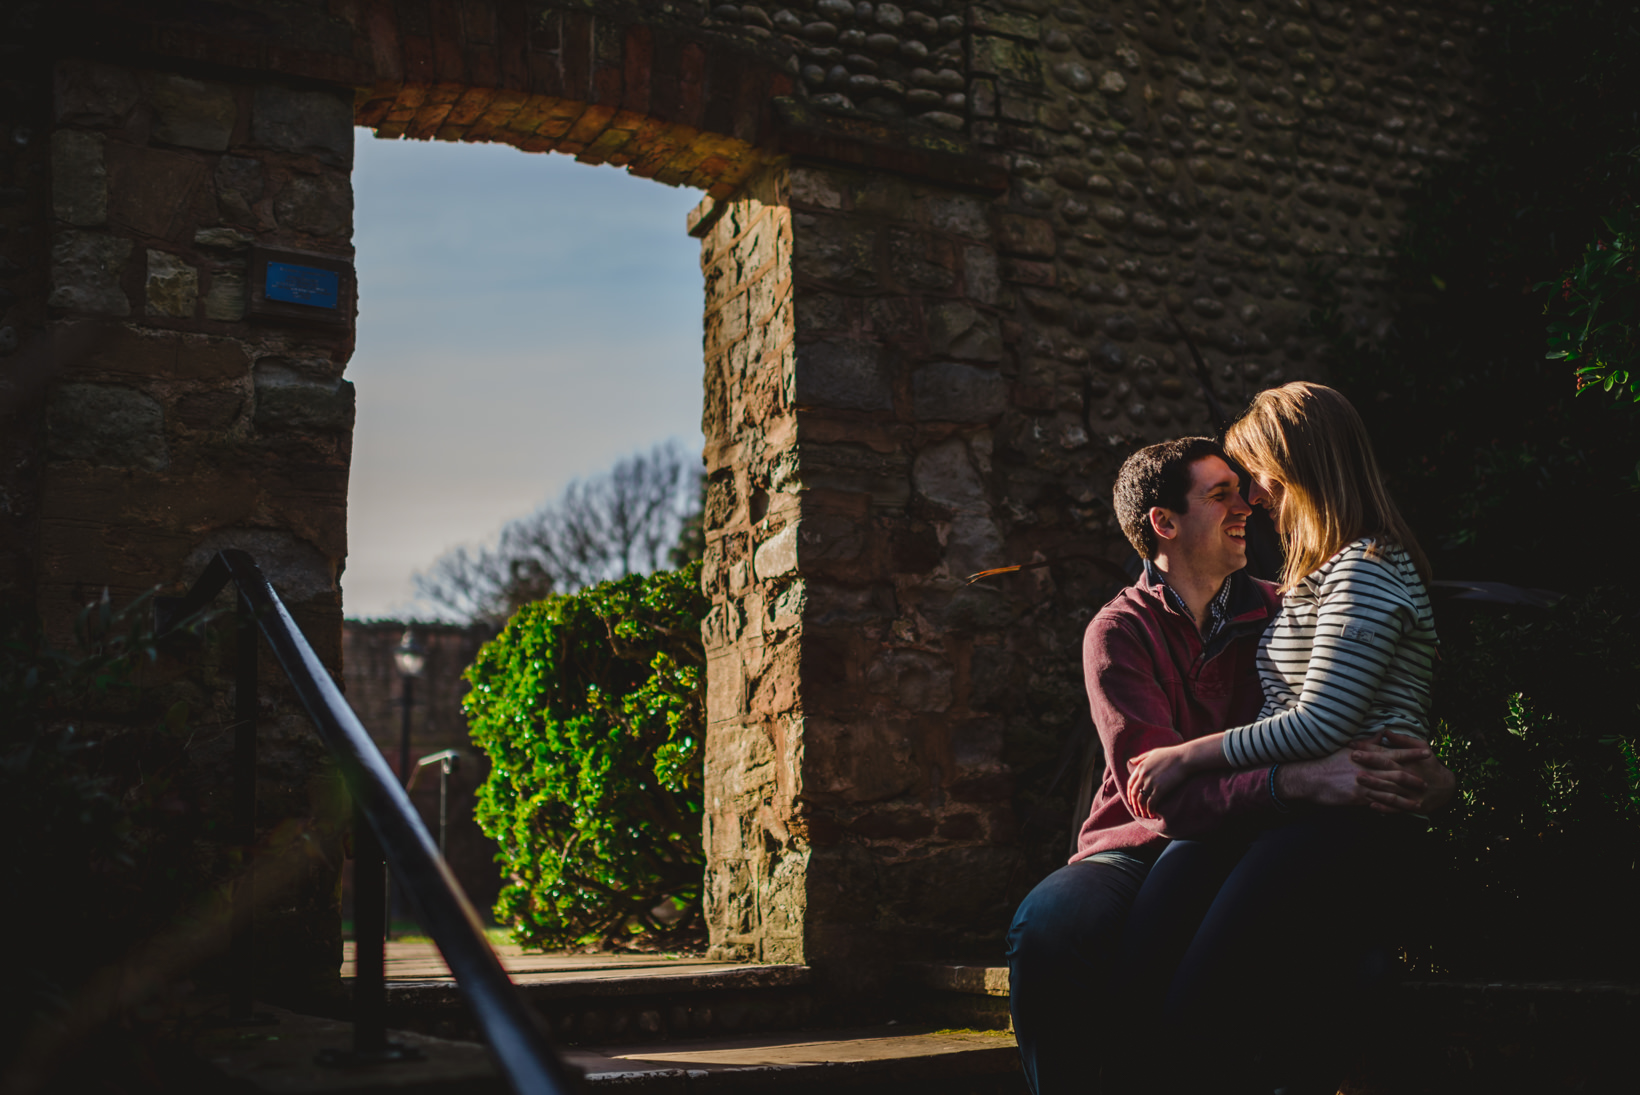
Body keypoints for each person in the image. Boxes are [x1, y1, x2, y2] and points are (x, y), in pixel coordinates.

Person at [1006, 431, 1454, 1095]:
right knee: (1049, 925)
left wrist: (1433, 777)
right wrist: (1293, 780)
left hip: (1251, 837)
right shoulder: (1119, 630)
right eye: (1221, 495)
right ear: (1164, 522)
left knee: (1343, 964)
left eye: (1244, 489)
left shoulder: (1283, 611)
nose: (1246, 503)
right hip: (1134, 844)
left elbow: (1357, 711)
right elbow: (1156, 796)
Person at [1124, 382, 1438, 818]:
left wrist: (1185, 756)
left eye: (1258, 474)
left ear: (1302, 469)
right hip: (1300, 800)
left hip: (1353, 805)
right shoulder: (1317, 577)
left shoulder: (1363, 570)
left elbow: (1320, 726)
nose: (1252, 498)